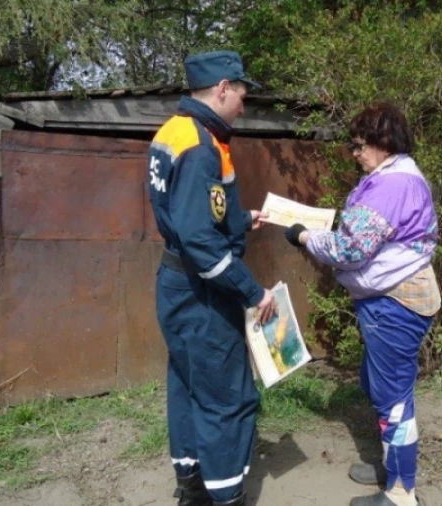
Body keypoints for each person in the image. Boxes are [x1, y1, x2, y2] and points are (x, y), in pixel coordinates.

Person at [283, 102, 441, 506]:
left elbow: (351, 248)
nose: (354, 153)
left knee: (394, 399)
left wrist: (304, 236)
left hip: (396, 303)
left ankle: (402, 492)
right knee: (380, 386)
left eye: (358, 145)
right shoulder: (394, 176)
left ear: (381, 142)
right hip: (392, 297)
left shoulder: (392, 184)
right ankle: (393, 465)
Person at [147, 50, 277, 506]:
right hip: (202, 293)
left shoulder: (175, 131)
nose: (244, 105)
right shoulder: (202, 145)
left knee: (188, 384)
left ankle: (192, 487)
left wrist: (239, 220)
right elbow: (201, 241)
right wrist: (252, 290)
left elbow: (193, 215)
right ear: (223, 88)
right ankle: (225, 496)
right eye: (242, 94)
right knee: (227, 397)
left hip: (176, 285)